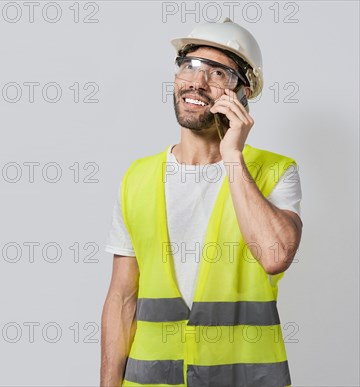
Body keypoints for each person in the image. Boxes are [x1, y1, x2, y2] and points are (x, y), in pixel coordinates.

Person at [100, 18, 303, 387]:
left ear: (244, 93)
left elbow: (275, 257)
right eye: (189, 67)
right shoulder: (137, 177)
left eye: (218, 73)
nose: (197, 82)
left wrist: (233, 157)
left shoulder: (275, 171)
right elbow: (121, 298)